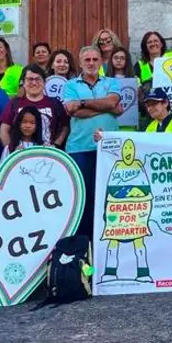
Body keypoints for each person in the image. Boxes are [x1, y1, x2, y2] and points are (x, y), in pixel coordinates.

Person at [63, 45, 122, 237]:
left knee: (109, 196)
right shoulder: (70, 85)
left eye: (95, 59)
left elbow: (113, 102)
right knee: (83, 199)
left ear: (101, 61)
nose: (91, 63)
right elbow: (72, 111)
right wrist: (106, 106)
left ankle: (105, 240)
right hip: (79, 148)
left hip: (109, 149)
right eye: (87, 60)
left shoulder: (112, 82)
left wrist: (82, 103)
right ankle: (84, 243)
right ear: (80, 63)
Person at [0, 64, 68, 150]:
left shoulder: (55, 104)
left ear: (44, 82)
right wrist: (12, 149)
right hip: (20, 156)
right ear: (23, 83)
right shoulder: (14, 104)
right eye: (30, 79)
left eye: (38, 79)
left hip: (48, 156)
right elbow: (3, 131)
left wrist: (56, 145)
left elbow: (65, 127)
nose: (34, 83)